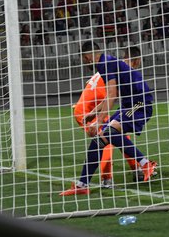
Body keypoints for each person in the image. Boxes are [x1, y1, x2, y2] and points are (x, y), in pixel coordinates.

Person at [61, 43, 157, 196]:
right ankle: (82, 185)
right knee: (99, 140)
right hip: (127, 105)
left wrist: (98, 120)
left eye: (84, 59)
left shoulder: (105, 64)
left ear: (88, 56)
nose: (85, 62)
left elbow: (112, 95)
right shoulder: (106, 64)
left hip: (139, 103)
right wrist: (93, 113)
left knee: (110, 131)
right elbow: (111, 95)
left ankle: (145, 163)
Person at [72, 50, 140, 189]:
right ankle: (106, 179)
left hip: (91, 108)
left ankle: (137, 170)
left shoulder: (111, 67)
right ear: (134, 61)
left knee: (119, 135)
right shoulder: (117, 72)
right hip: (87, 112)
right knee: (104, 140)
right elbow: (110, 96)